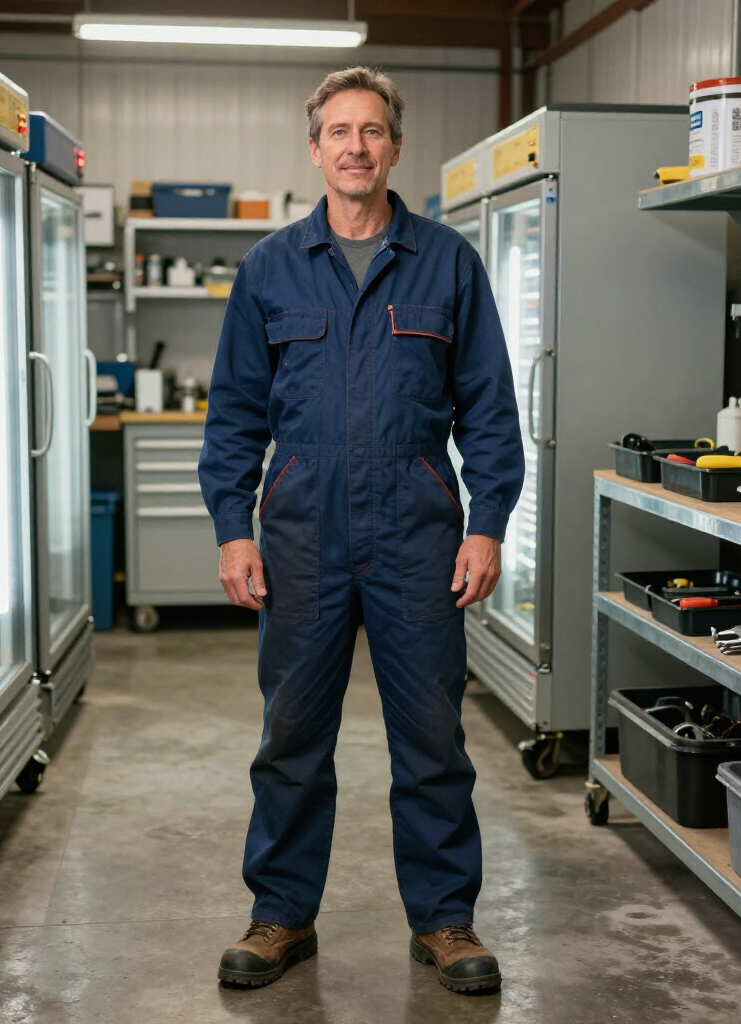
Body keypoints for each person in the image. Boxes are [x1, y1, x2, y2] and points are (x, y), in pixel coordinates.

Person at [198, 66, 524, 995]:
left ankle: (446, 921)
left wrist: (487, 523)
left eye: (372, 130)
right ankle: (281, 915)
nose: (355, 146)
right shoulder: (267, 270)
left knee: (431, 737)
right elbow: (233, 420)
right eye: (338, 131)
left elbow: (491, 413)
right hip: (300, 530)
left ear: (394, 146)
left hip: (420, 530)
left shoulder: (448, 263)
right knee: (292, 736)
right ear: (315, 149)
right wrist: (234, 528)